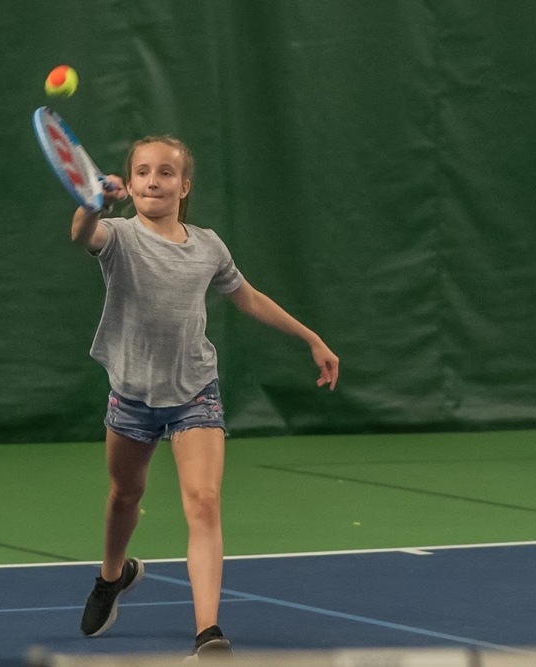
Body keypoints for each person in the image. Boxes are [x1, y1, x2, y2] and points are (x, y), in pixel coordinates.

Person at [71, 135, 339, 658]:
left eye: (166, 172)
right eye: (144, 171)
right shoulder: (119, 236)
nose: (154, 180)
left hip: (195, 389)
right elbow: (84, 234)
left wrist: (312, 338)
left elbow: (249, 297)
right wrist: (91, 204)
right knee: (125, 496)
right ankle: (112, 576)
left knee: (205, 502)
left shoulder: (208, 246)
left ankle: (208, 633)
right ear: (130, 181)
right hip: (131, 393)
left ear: (183, 186)